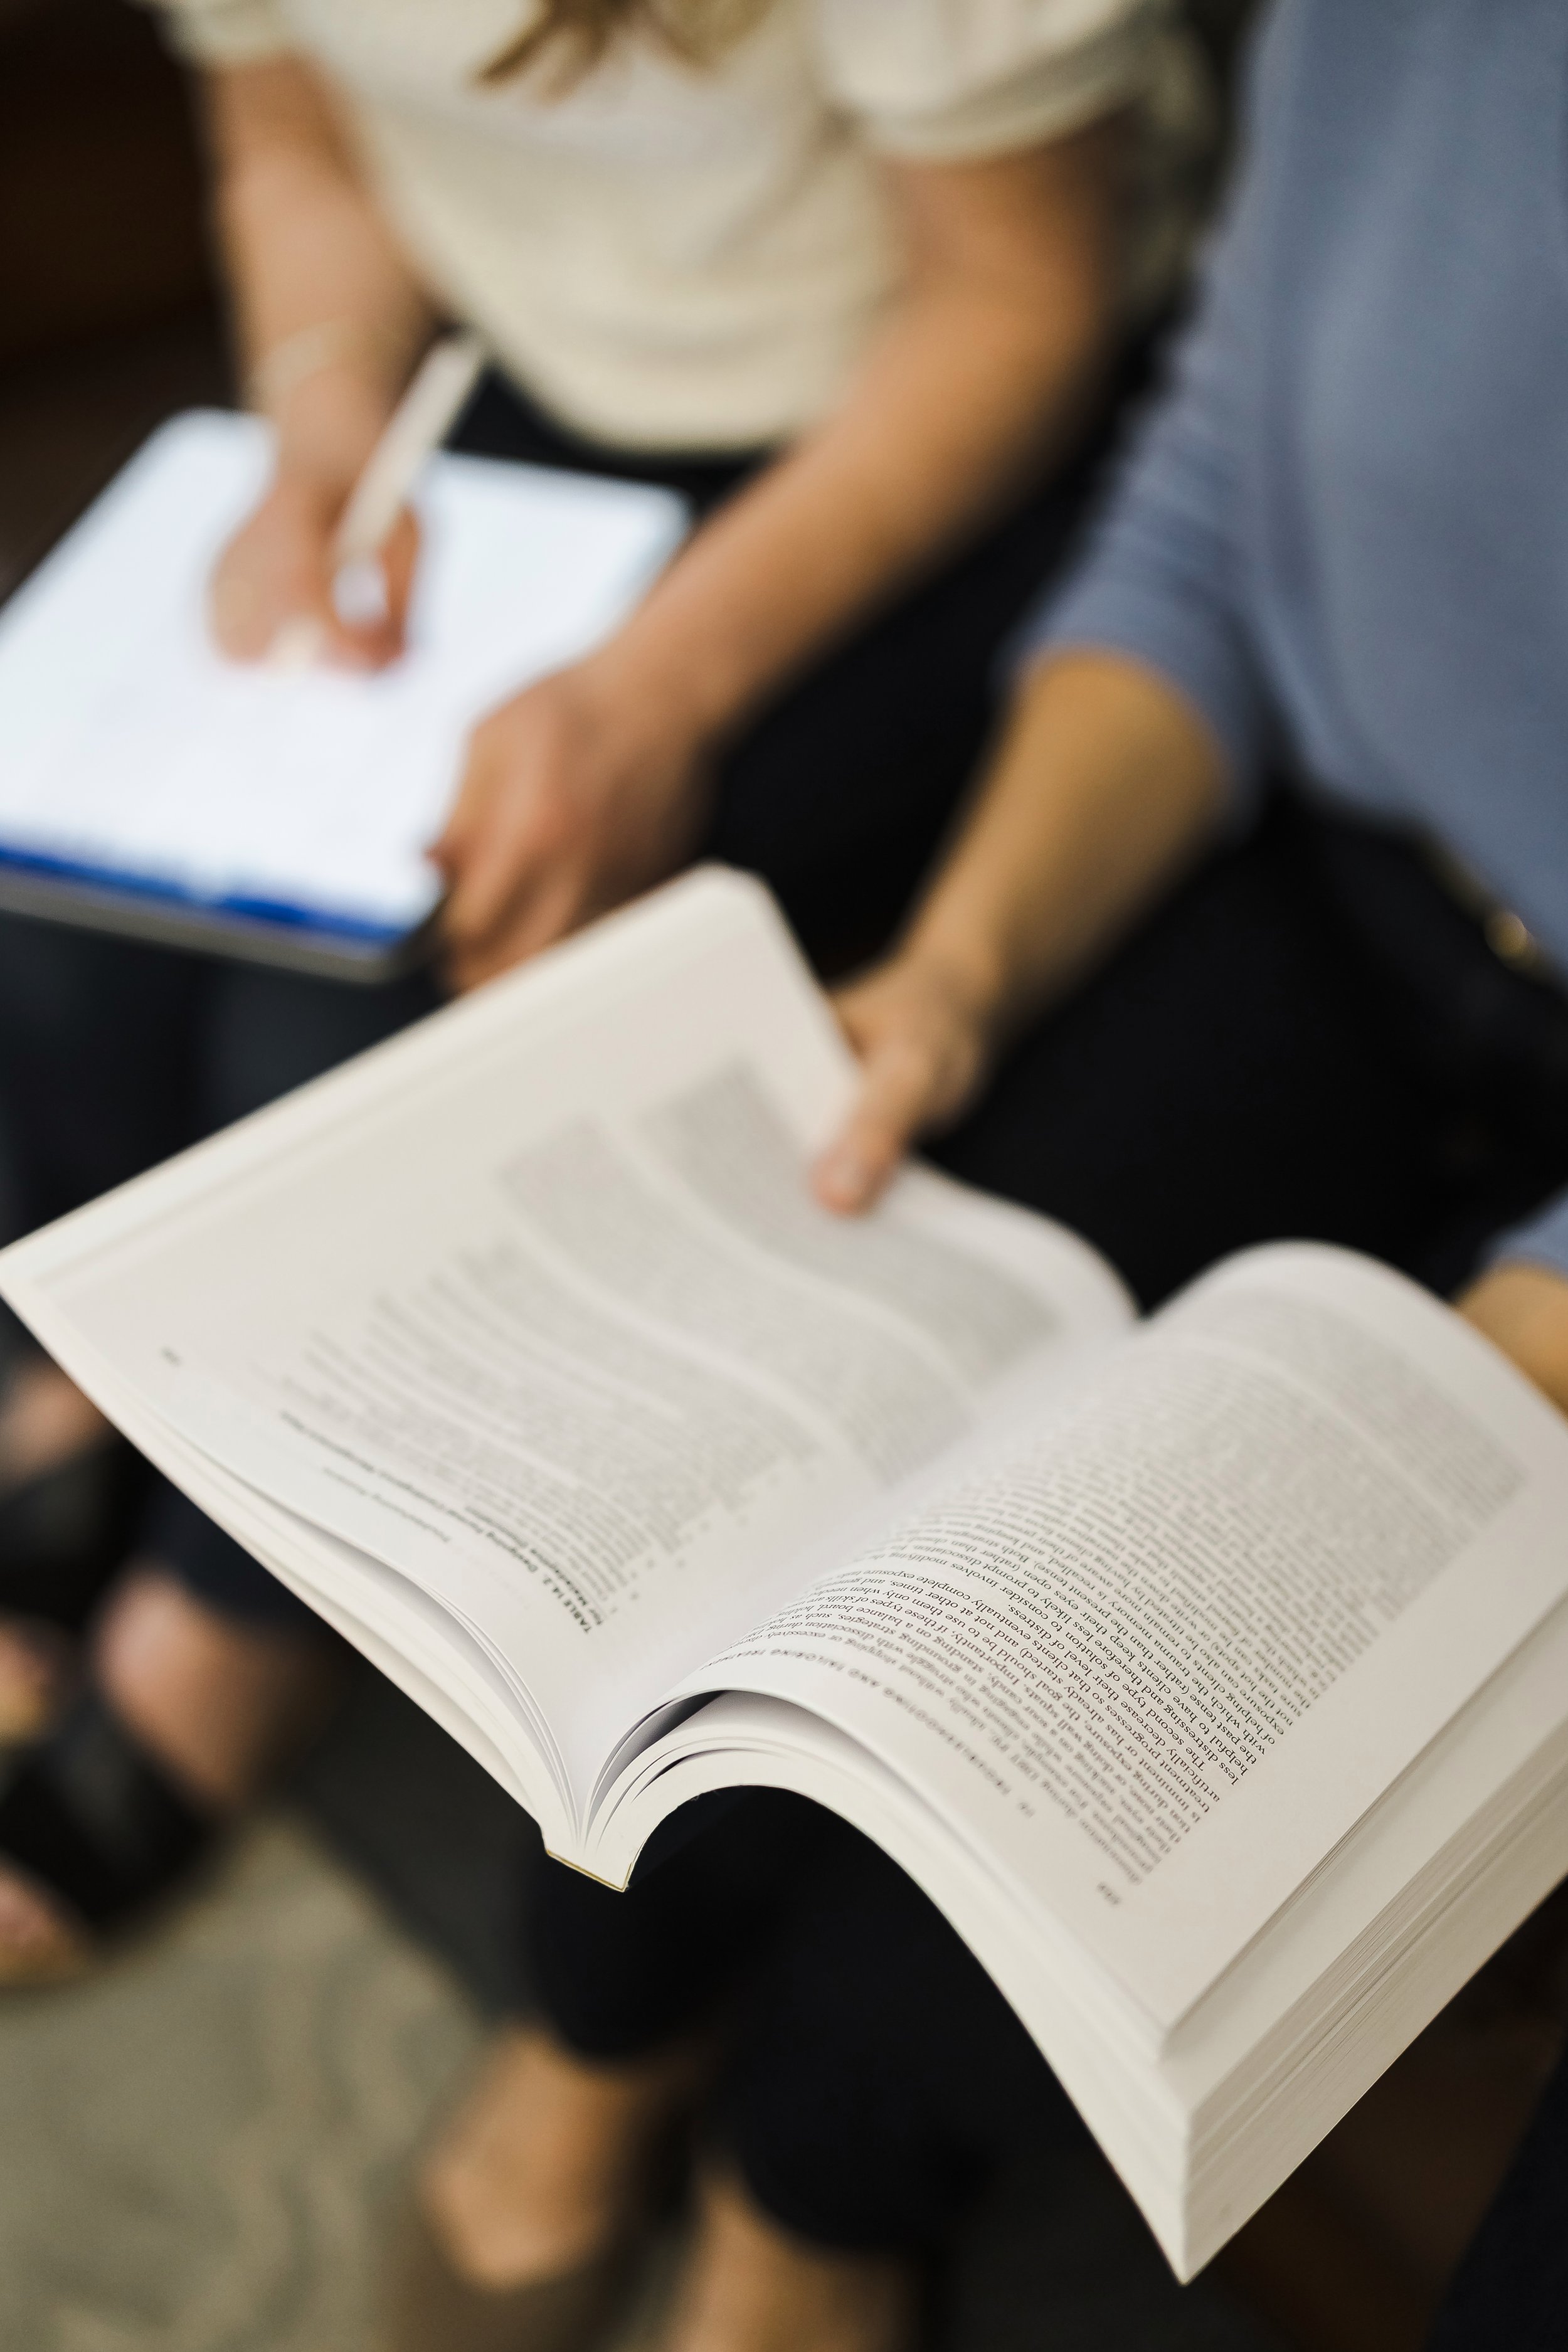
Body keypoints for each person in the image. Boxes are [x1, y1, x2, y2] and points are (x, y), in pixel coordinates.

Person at [373, 3, 1568, 2348]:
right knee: (762, 1433)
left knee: (1125, 1715)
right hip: (1324, 860)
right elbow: (1220, 485)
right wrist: (955, 968)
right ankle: (600, 2013)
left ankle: (816, 2197)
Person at [0, 1, 1204, 1974]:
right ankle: (79, 1399)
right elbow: (293, 138)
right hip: (523, 387)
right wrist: (325, 423)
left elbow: (1017, 303)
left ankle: (229, 1611)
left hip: (917, 429)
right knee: (68, 919)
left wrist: (656, 687)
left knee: (381, 1005)